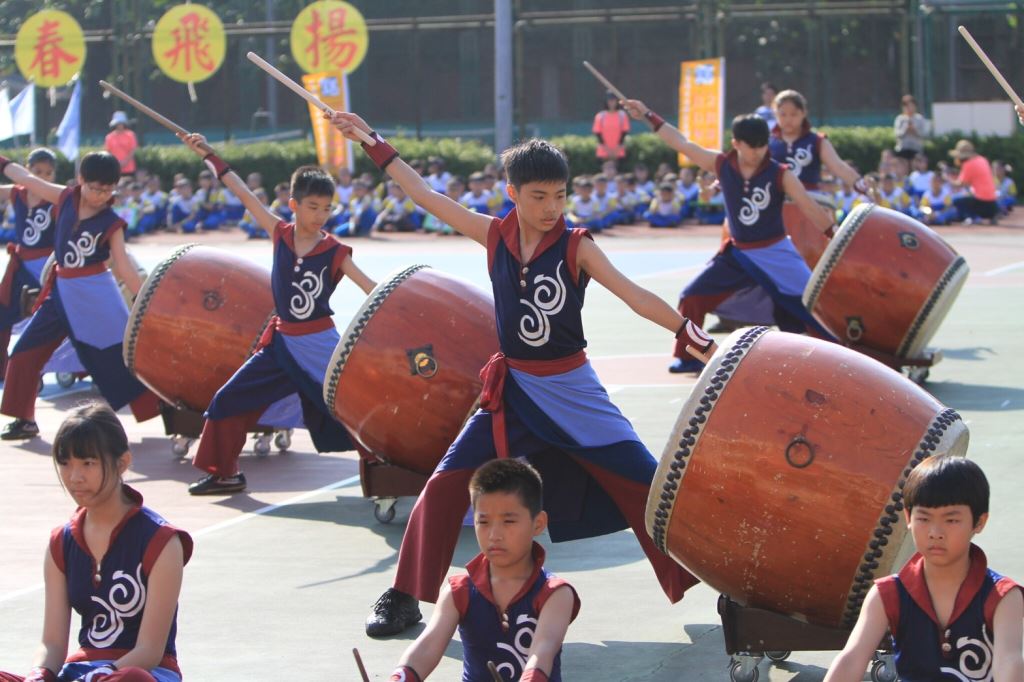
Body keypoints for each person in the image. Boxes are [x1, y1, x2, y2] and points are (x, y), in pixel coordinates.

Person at [328, 112, 715, 637]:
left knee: (648, 484)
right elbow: (423, 195)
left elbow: (634, 294)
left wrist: (688, 333)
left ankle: (715, 578)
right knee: (444, 483)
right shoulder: (494, 236)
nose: (552, 207)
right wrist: (371, 140)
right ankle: (404, 596)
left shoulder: (577, 245)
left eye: (559, 195)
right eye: (538, 196)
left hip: (573, 390)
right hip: (511, 390)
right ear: (512, 193)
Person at [176, 132, 377, 495]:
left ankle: (389, 466)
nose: (320, 215)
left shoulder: (335, 251)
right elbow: (243, 193)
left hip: (318, 346)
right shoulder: (280, 233)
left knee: (353, 409)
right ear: (293, 205)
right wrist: (209, 154)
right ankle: (225, 473)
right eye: (313, 207)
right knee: (227, 400)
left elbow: (371, 289)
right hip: (281, 344)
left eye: (326, 208)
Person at [621, 100, 836, 374]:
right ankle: (690, 356)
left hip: (775, 251)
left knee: (813, 309)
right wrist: (648, 115)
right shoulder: (722, 165)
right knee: (692, 297)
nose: (759, 151)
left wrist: (833, 234)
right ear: (736, 143)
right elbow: (682, 143)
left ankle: (845, 357)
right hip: (738, 252)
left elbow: (809, 206)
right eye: (752, 145)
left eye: (763, 144)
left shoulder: (780, 174)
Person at [0, 403, 192, 682]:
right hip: (79, 671)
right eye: (65, 464)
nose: (74, 477)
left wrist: (103, 674)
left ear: (122, 462)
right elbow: (52, 643)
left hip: (141, 673)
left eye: (88, 463)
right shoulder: (61, 542)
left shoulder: (162, 541)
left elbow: (150, 650)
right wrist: (39, 674)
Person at [0, 151, 159, 440]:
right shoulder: (64, 198)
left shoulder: (111, 222)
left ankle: (173, 418)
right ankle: (24, 419)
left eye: (108, 189)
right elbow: (24, 178)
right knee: (24, 353)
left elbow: (124, 267)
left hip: (95, 297)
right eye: (96, 188)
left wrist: (148, 303)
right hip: (60, 293)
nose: (101, 195)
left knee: (118, 360)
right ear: (81, 180)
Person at [824, 455, 1023, 682]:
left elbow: (1010, 663)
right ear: (908, 517)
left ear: (979, 522)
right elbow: (851, 659)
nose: (935, 532)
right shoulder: (887, 594)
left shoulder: (1003, 596)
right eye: (924, 518)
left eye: (951, 520)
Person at [387, 459, 578, 682]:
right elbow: (427, 646)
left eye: (508, 521)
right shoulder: (458, 591)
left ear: (538, 523)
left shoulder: (555, 593)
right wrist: (400, 677)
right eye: (484, 522)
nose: (494, 535)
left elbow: (542, 651)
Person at [0, 148, 58, 377]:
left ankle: (43, 367)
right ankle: (3, 369)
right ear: (27, 169)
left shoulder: (57, 199)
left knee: (49, 321)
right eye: (38, 171)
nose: (43, 177)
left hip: (48, 270)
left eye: (48, 173)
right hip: (21, 267)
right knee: (2, 313)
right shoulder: (18, 193)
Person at [770, 90, 866, 200]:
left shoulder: (817, 141)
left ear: (804, 113)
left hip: (810, 201)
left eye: (794, 114)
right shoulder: (767, 143)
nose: (788, 119)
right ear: (775, 113)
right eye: (783, 114)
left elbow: (838, 166)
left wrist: (863, 186)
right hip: (774, 203)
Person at [948, 140, 999, 225]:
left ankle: (971, 217)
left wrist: (948, 180)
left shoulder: (968, 164)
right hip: (993, 203)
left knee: (956, 201)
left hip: (981, 203)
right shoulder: (983, 160)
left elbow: (960, 184)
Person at [592, 92, 629, 168]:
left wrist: (617, 149)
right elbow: (598, 133)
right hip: (603, 152)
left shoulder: (622, 115)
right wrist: (607, 149)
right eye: (609, 101)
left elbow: (624, 132)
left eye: (613, 101)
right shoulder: (600, 116)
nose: (611, 103)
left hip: (618, 152)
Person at [894, 94, 930, 162]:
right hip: (903, 150)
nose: (909, 108)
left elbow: (924, 134)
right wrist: (905, 129)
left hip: (916, 150)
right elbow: (897, 134)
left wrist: (915, 131)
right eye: (907, 106)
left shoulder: (920, 118)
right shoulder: (900, 119)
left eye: (911, 106)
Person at [104, 112, 138, 178]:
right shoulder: (109, 137)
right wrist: (116, 164)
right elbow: (108, 153)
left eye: (121, 123)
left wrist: (124, 162)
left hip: (129, 169)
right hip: (114, 169)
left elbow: (133, 150)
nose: (119, 125)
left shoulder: (130, 135)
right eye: (118, 123)